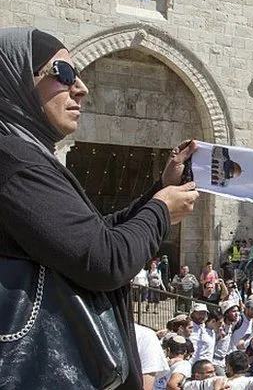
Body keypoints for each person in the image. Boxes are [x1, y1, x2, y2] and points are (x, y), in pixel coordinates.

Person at [0, 28, 199, 389]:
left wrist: (160, 190)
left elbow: (89, 236)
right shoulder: (15, 161)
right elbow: (104, 262)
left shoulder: (22, 153)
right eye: (62, 74)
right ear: (15, 78)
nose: (81, 88)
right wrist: (160, 210)